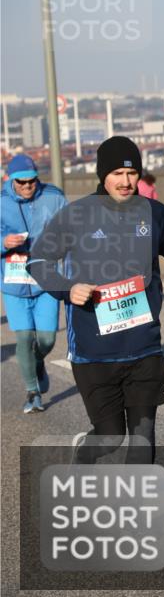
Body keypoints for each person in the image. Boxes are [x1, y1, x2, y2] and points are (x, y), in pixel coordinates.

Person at [28, 136, 164, 465]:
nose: (125, 182)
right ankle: (83, 454)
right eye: (117, 174)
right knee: (111, 437)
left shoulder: (155, 213)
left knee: (142, 438)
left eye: (132, 174)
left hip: (144, 344)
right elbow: (37, 262)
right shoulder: (77, 215)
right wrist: (68, 288)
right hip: (95, 352)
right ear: (102, 174)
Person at [1, 155, 67, 413]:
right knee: (24, 337)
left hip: (46, 279)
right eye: (22, 183)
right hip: (14, 281)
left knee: (47, 338)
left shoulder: (53, 197)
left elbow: (71, 229)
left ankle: (37, 362)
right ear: (11, 180)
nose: (28, 187)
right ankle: (32, 392)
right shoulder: (1, 202)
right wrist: (4, 242)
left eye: (32, 182)